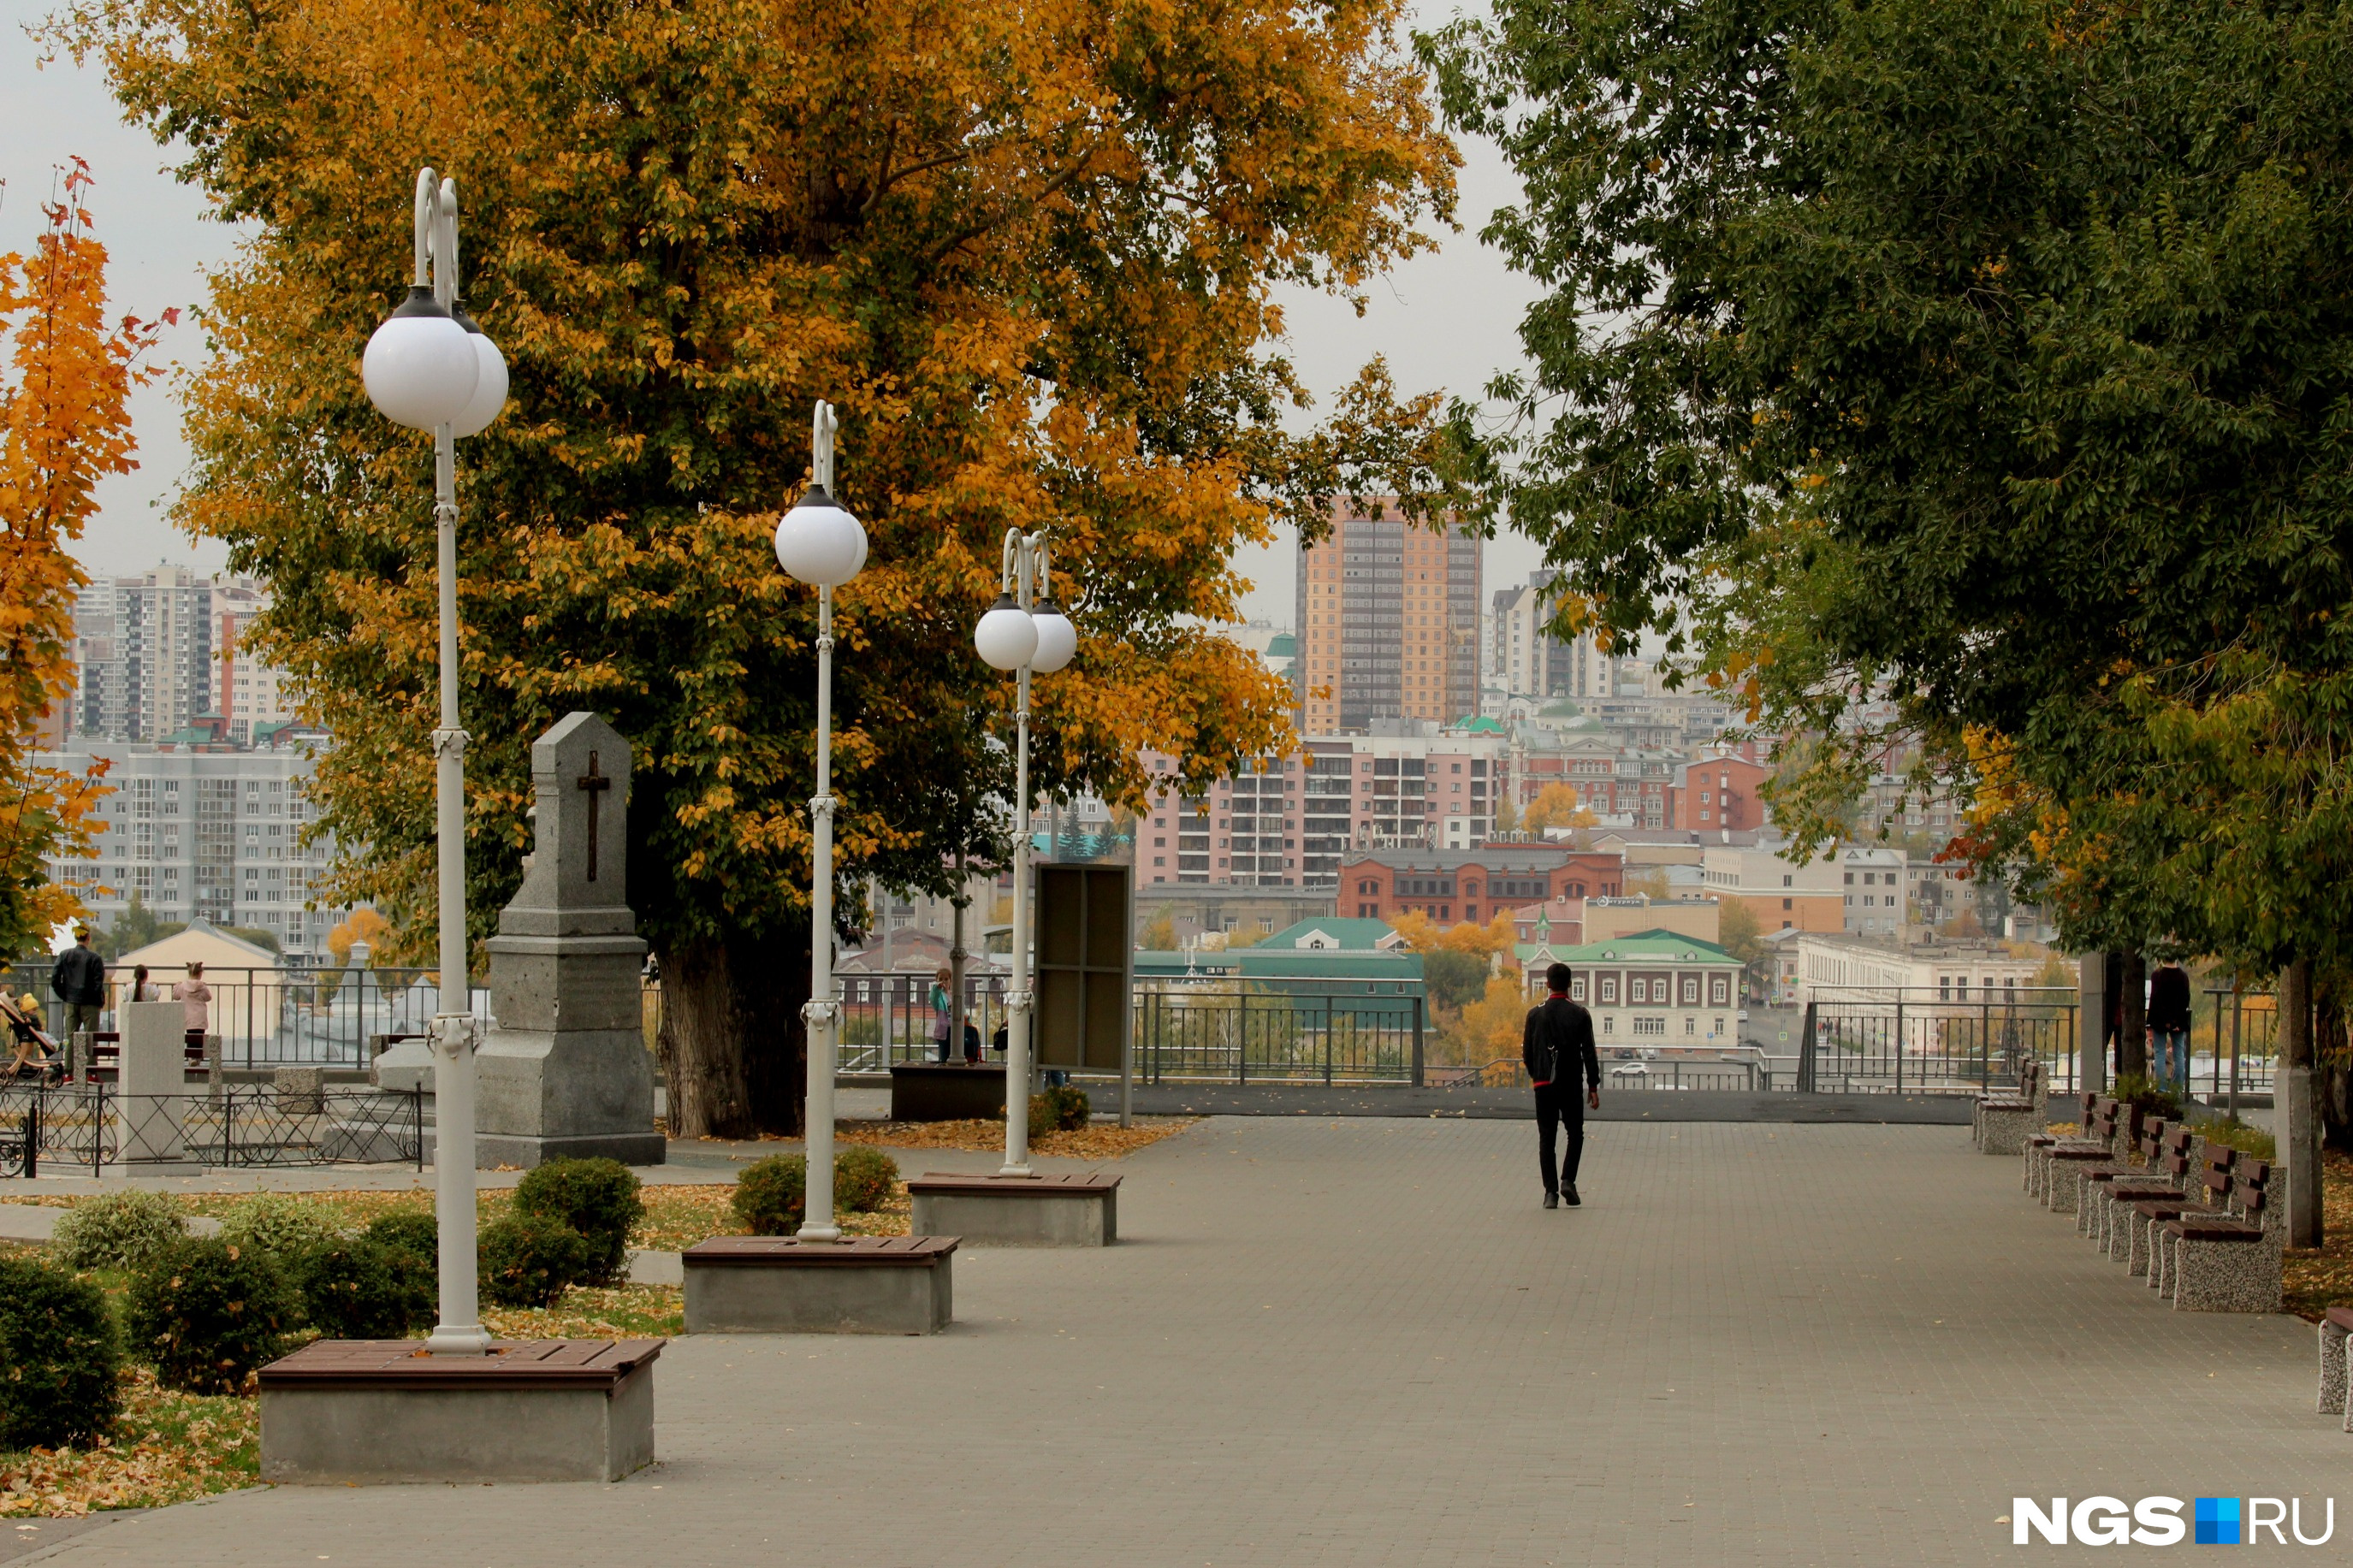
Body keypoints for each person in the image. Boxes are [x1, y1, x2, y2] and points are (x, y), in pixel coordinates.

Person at [1523, 962, 1601, 1209]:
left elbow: (1527, 1052)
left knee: (1547, 1138)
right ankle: (1568, 1179)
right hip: (1569, 1084)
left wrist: (1537, 1076)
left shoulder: (1535, 1014)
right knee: (1575, 1133)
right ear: (1569, 985)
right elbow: (1589, 1052)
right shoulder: (1579, 1014)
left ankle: (1550, 1194)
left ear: (1547, 984)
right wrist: (1592, 1086)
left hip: (1543, 1085)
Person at [50, 926, 105, 1044]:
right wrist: (95, 999)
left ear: (75, 937)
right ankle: (89, 1063)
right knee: (91, 1040)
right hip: (90, 1004)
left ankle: (74, 1063)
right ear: (88, 938)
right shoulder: (95, 958)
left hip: (71, 1001)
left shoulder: (64, 955)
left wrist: (65, 996)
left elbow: (54, 979)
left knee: (72, 1039)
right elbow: (98, 983)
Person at [2148, 957, 2193, 1091]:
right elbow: (2186, 998)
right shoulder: (2183, 977)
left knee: (2160, 1053)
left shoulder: (2157, 975)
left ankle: (2161, 1088)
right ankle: (2177, 1088)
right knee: (2179, 1054)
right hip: (2178, 1020)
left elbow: (2154, 998)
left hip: (2160, 1020)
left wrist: (2150, 1020)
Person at [2, 991, 60, 1080]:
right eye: (33, 1010)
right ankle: (56, 1044)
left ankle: (55, 1044)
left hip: (31, 1033)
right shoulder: (26, 1016)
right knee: (46, 1037)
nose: (35, 1012)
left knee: (46, 1036)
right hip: (28, 1033)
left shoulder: (24, 1015)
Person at [173, 962, 214, 1058]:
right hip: (200, 1017)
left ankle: (191, 1058)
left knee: (190, 1038)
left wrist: (177, 985)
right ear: (200, 974)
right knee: (199, 1039)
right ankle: (198, 1058)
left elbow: (175, 996)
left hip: (188, 1016)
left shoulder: (183, 986)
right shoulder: (202, 987)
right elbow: (208, 997)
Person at [929, 966, 953, 1063]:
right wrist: (936, 988)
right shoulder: (939, 997)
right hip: (944, 1029)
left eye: (946, 979)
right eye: (940, 979)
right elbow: (933, 998)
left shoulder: (953, 995)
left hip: (955, 1028)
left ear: (950, 981)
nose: (943, 981)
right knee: (945, 1057)